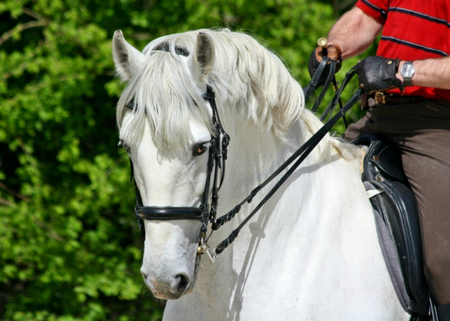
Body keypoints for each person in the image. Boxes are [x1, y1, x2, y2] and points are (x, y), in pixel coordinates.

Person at [308, 1, 450, 320]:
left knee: (442, 257)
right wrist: (334, 48)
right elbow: (364, 16)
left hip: (436, 123)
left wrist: (398, 71)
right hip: (376, 113)